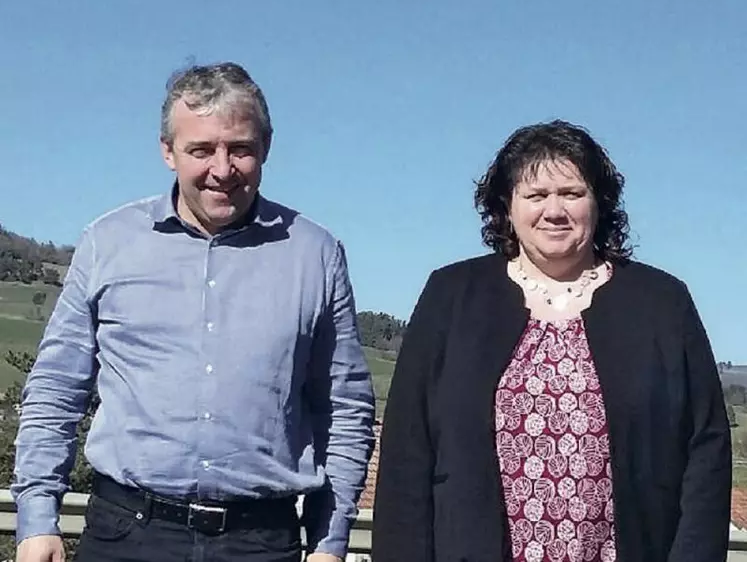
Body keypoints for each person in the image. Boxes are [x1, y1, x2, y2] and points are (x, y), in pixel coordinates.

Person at [12, 62, 375, 562]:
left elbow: (344, 408)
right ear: (168, 152)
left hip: (262, 542)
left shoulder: (315, 254)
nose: (221, 170)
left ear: (265, 149)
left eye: (240, 149)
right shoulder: (108, 243)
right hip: (127, 535)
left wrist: (330, 541)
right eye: (201, 149)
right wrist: (36, 518)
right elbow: (56, 390)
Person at [372, 120, 731, 562]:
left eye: (572, 194)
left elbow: (706, 450)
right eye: (536, 195)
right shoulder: (451, 296)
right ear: (507, 206)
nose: (554, 210)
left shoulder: (662, 303)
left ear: (599, 203)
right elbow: (407, 453)